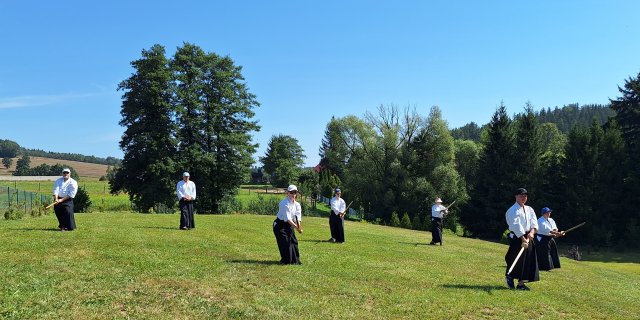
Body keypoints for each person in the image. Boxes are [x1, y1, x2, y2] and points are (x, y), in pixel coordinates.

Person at [505, 187, 539, 290]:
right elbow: (516, 224)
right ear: (516, 196)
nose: (523, 198)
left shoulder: (530, 209)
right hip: (518, 237)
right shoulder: (512, 210)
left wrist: (532, 232)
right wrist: (522, 238)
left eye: (525, 196)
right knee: (515, 258)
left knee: (528, 260)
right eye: (521, 196)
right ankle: (509, 276)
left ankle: (521, 284)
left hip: (529, 236)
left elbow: (534, 221)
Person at [273, 184, 303, 264]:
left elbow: (298, 216)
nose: (293, 194)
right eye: (291, 192)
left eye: (295, 192)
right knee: (285, 242)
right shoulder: (284, 203)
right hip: (279, 225)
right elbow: (288, 219)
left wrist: (299, 226)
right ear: (288, 193)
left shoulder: (297, 205)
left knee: (293, 241)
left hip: (289, 224)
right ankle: (285, 261)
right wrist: (297, 228)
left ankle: (295, 260)